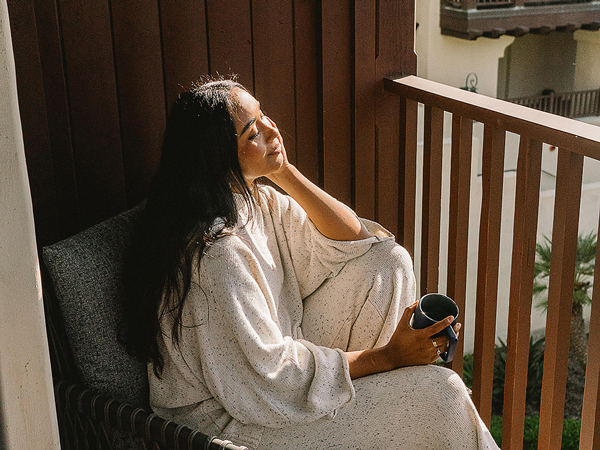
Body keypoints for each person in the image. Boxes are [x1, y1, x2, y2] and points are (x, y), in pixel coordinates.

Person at [122, 78, 499, 449]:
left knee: (389, 263)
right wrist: (388, 358)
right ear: (218, 158)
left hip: (272, 375)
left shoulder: (253, 201)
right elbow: (269, 379)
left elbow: (353, 240)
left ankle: (392, 410)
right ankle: (402, 407)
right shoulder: (217, 255)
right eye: (253, 133)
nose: (272, 130)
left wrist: (281, 169)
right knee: (443, 395)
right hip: (230, 421)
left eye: (264, 115)